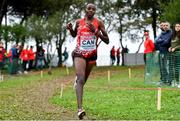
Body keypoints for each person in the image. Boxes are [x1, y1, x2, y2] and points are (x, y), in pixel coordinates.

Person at [66, 3, 109, 119]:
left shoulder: (99, 23)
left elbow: (107, 40)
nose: (91, 10)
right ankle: (80, 109)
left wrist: (96, 32)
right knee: (80, 78)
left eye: (93, 9)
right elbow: (75, 34)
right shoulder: (78, 22)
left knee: (83, 80)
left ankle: (78, 82)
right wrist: (70, 30)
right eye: (89, 8)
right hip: (79, 53)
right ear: (85, 10)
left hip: (92, 55)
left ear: (95, 11)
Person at [155, 21, 172, 86]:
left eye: (166, 25)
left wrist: (161, 41)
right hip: (161, 52)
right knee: (162, 68)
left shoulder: (171, 33)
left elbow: (167, 42)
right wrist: (162, 41)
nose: (165, 27)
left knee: (167, 67)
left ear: (169, 26)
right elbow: (156, 41)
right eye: (164, 25)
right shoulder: (162, 33)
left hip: (167, 53)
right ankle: (164, 80)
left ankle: (169, 81)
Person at [168, 23, 180, 87]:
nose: (177, 27)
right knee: (172, 68)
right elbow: (172, 44)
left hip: (178, 53)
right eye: (176, 26)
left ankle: (178, 82)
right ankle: (174, 81)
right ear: (174, 27)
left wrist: (175, 48)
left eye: (178, 26)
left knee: (177, 68)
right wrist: (170, 47)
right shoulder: (172, 35)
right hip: (172, 53)